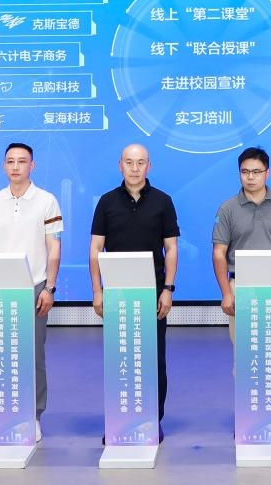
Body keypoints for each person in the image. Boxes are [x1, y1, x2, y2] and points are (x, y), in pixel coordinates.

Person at [211, 145, 271, 438]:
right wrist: (226, 292)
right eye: (245, 172)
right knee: (245, 355)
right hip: (240, 287)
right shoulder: (227, 208)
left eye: (256, 172)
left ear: (267, 173)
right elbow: (219, 253)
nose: (250, 177)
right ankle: (248, 417)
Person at [89, 143, 180, 438]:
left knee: (154, 358)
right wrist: (98, 290)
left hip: (152, 293)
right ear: (120, 165)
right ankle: (119, 420)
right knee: (120, 358)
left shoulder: (163, 201)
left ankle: (153, 419)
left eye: (140, 162)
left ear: (149, 166)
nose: (135, 168)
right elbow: (95, 248)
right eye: (129, 162)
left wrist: (168, 289)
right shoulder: (106, 202)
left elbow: (171, 248)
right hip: (117, 293)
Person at [0, 142, 62, 442]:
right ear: (3, 166)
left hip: (34, 285)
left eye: (22, 161)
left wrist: (49, 287)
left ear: (32, 166)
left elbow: (54, 247)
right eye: (10, 161)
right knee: (0, 353)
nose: (15, 166)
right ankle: (4, 413)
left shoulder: (47, 200)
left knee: (33, 355)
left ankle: (33, 415)